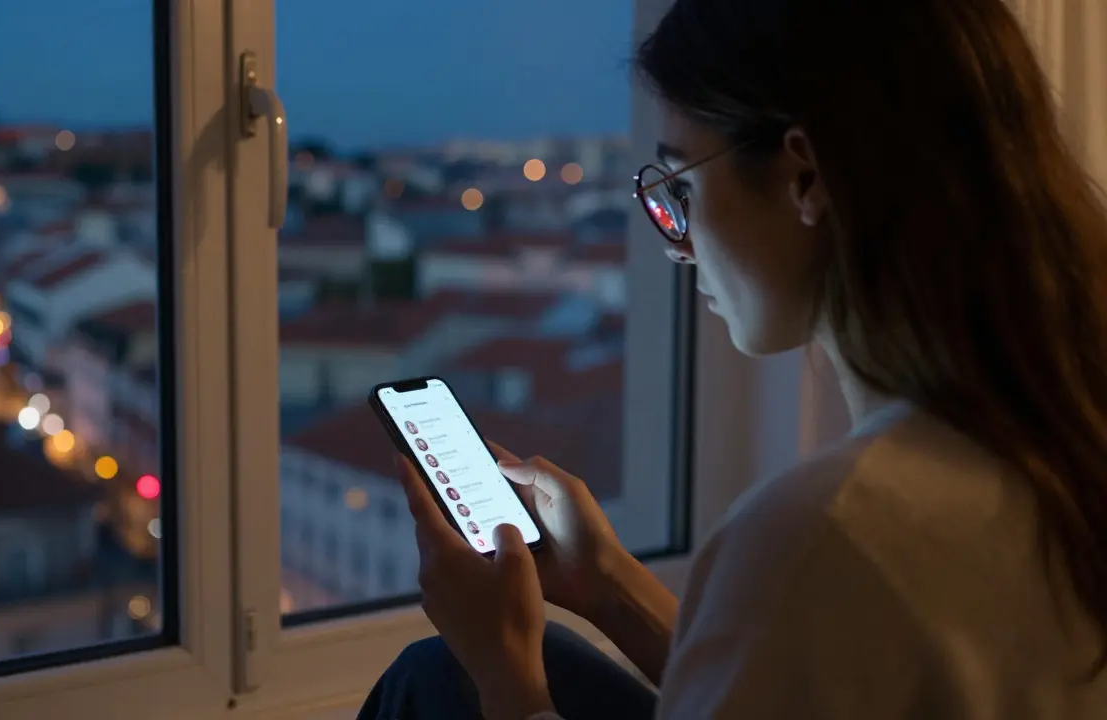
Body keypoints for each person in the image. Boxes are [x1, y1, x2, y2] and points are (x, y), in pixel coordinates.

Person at [358, 0, 1107, 718]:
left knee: (438, 680)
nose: (676, 242)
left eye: (679, 185)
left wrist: (505, 672)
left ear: (805, 176)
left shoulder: (826, 534)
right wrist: (608, 582)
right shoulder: (1053, 431)